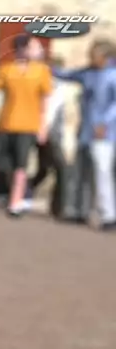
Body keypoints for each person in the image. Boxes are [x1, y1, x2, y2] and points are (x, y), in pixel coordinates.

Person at [0, 34, 54, 217]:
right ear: (23, 49)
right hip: (5, 124)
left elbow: (45, 101)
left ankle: (15, 203)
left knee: (21, 167)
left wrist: (43, 126)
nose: (39, 50)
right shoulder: (6, 70)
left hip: (28, 126)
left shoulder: (42, 72)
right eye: (34, 47)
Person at [55, 39, 116, 228]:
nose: (91, 59)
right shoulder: (88, 73)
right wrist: (49, 68)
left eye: (94, 55)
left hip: (104, 134)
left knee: (102, 172)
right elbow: (67, 75)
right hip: (85, 131)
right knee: (80, 171)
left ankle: (108, 214)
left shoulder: (112, 75)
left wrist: (105, 123)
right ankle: (79, 209)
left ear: (105, 57)